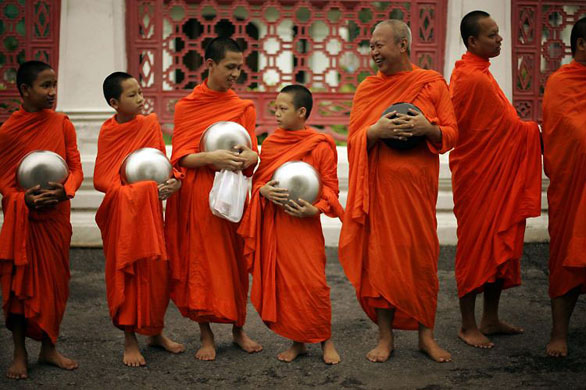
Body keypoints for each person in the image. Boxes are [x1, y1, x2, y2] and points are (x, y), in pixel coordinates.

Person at [338, 20, 457, 363]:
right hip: (382, 191)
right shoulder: (367, 90)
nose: (373, 52)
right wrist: (375, 131)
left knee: (421, 260)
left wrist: (428, 128)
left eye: (380, 45)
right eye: (371, 46)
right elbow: (354, 140)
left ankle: (426, 336)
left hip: (418, 190)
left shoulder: (432, 84)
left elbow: (452, 133)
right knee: (382, 262)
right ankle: (385, 338)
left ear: (402, 45)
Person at [164, 37, 262, 360]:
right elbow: (181, 157)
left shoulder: (243, 107)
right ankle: (205, 334)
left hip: (232, 193)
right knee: (201, 265)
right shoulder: (187, 106)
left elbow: (253, 155)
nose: (236, 73)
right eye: (230, 66)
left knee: (235, 263)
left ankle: (238, 329)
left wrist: (248, 157)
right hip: (198, 194)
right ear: (210, 65)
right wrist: (212, 158)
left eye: (239, 67)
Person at [449, 11, 542, 349]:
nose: (500, 39)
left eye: (498, 33)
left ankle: (489, 318)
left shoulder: (477, 73)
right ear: (473, 42)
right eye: (492, 35)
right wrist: (534, 132)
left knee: (493, 249)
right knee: (475, 249)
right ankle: (467, 324)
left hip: (493, 171)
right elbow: (496, 130)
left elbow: (500, 127)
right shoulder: (472, 78)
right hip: (478, 176)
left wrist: (523, 131)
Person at [238, 85, 343, 364]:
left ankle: (325, 340)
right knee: (288, 287)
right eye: (275, 107)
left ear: (302, 112)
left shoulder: (320, 145)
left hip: (305, 227)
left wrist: (316, 209)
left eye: (283, 108)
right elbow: (260, 181)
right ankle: (298, 341)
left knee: (314, 283)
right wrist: (263, 192)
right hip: (278, 226)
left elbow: (331, 189)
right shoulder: (272, 143)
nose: (276, 113)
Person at [94, 72, 185, 367]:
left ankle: (155, 332)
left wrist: (173, 181)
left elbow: (162, 164)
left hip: (150, 213)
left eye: (140, 92)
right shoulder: (108, 132)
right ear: (114, 102)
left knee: (157, 273)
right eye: (132, 95)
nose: (140, 99)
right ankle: (130, 340)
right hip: (122, 215)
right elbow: (101, 178)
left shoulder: (149, 125)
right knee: (128, 274)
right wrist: (140, 191)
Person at [0, 60, 83, 379]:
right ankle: (19, 352)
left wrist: (66, 191)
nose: (52, 92)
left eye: (54, 85)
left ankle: (49, 347)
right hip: (24, 222)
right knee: (19, 288)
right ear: (24, 90)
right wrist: (24, 200)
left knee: (55, 285)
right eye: (45, 86)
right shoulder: (9, 131)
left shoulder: (62, 124)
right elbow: (5, 182)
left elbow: (76, 169)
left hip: (56, 219)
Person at [542, 17, 586, 358]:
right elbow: (565, 131)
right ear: (581, 44)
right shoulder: (561, 83)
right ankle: (559, 333)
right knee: (565, 261)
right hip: (573, 186)